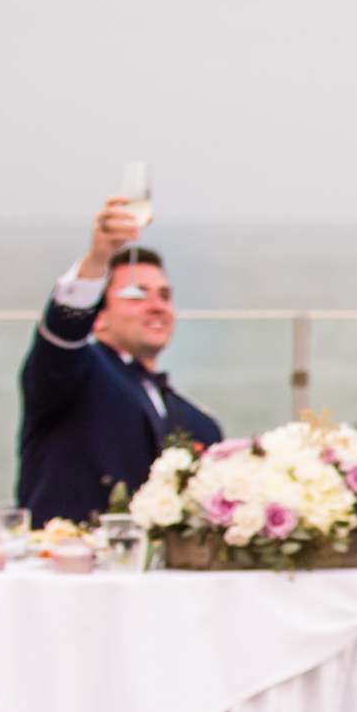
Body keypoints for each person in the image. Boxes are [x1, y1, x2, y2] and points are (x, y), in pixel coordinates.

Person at [17, 197, 223, 524]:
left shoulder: (199, 423)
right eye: (136, 294)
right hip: (65, 565)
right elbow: (64, 334)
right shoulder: (76, 370)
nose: (156, 305)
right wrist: (99, 258)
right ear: (97, 319)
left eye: (164, 295)